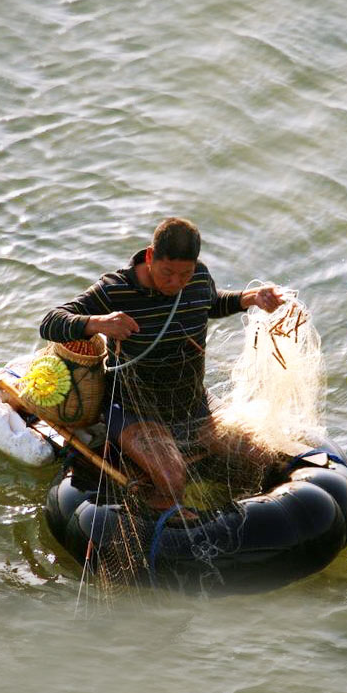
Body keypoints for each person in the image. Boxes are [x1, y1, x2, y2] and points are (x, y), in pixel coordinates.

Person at [39, 217, 285, 511]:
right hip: (135, 410)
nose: (176, 283)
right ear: (150, 257)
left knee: (261, 458)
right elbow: (50, 322)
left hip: (192, 406)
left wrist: (251, 298)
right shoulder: (115, 290)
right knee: (171, 479)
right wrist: (99, 323)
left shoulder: (198, 278)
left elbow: (212, 302)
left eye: (185, 273)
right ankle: (157, 514)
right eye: (167, 272)